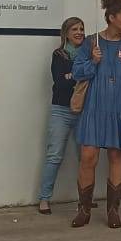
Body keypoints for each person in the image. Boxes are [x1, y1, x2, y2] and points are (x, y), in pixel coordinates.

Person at [70, 0, 121, 229]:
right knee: (88, 157)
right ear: (111, 17)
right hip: (94, 107)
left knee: (116, 155)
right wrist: (93, 61)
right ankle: (84, 209)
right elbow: (77, 73)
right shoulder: (91, 42)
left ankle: (113, 210)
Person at [35, 17, 85, 215]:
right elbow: (60, 82)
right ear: (66, 33)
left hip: (84, 111)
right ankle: (44, 198)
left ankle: (85, 197)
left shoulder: (90, 54)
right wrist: (79, 74)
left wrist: (72, 74)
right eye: (75, 29)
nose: (79, 32)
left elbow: (87, 76)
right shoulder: (59, 55)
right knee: (54, 155)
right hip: (61, 110)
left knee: (86, 157)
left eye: (82, 28)